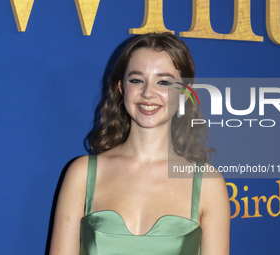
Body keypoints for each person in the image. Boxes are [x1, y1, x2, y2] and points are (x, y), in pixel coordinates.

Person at [49, 32, 230, 255]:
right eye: (137, 80)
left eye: (163, 81)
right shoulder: (82, 174)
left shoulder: (208, 184)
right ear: (121, 88)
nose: (148, 93)